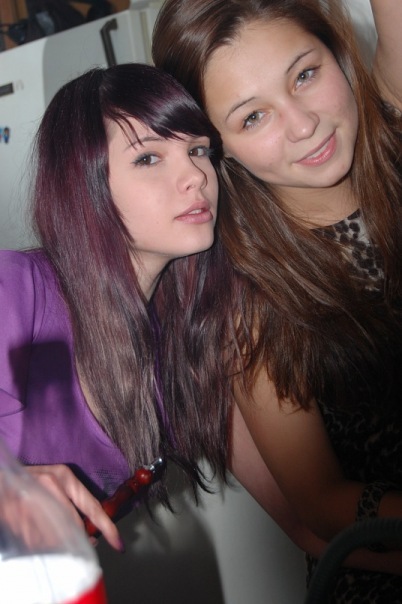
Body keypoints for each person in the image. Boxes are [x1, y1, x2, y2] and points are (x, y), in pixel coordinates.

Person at [152, 0, 402, 600]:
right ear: (218, 148)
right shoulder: (249, 297)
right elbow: (322, 503)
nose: (303, 124)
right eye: (253, 116)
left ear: (338, 55)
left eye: (305, 75)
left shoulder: (392, 134)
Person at [0, 62, 235, 552]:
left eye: (198, 150)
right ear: (84, 186)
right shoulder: (16, 290)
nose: (196, 176)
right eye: (148, 158)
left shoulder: (178, 347)